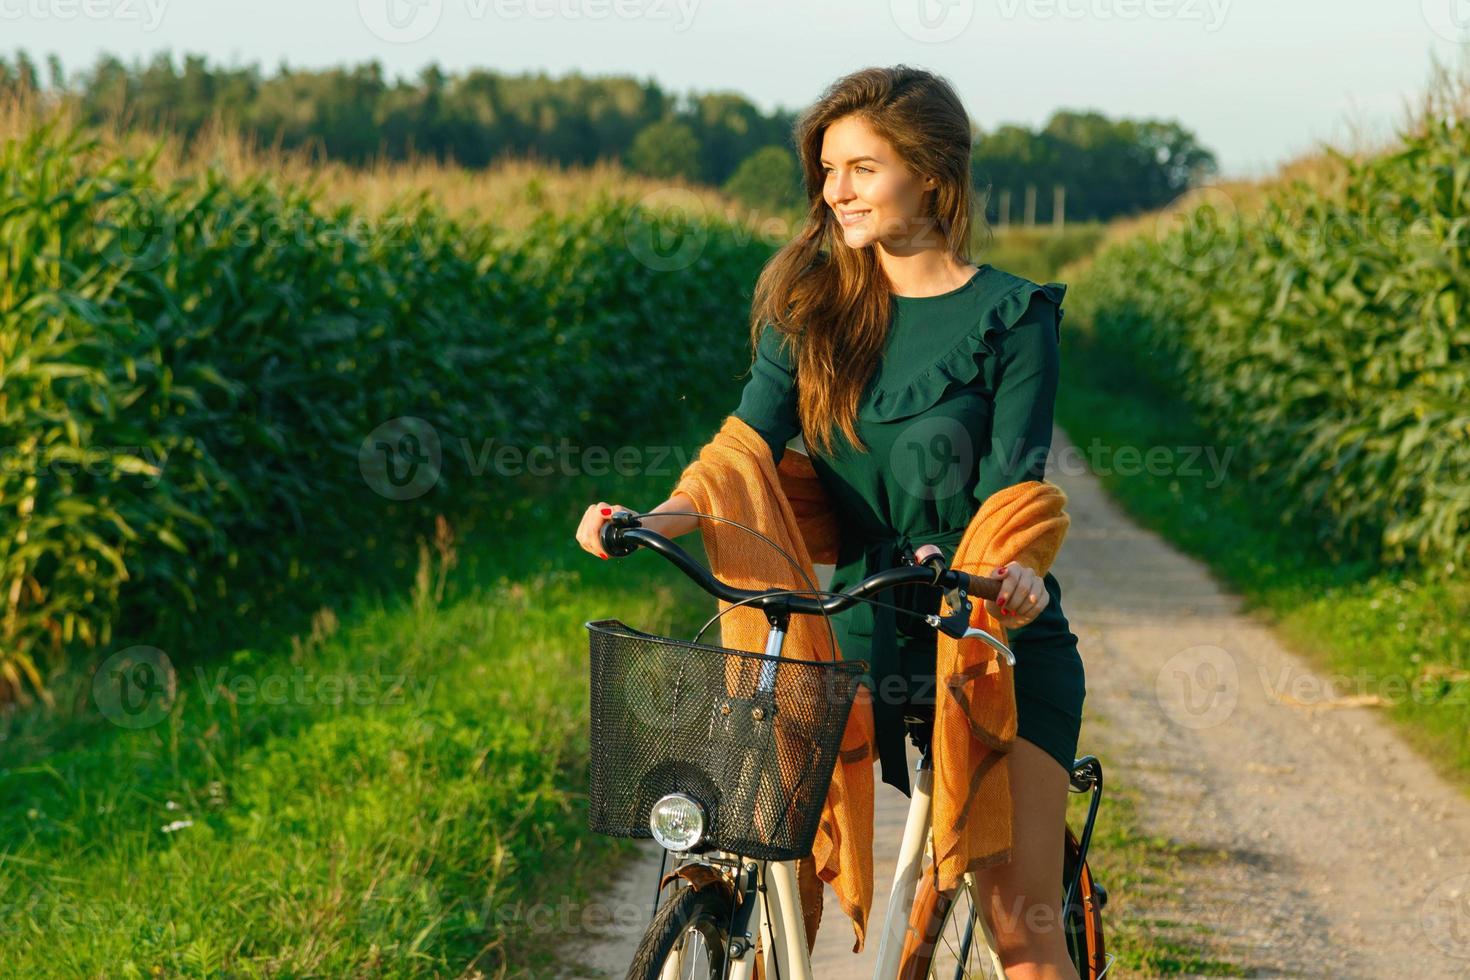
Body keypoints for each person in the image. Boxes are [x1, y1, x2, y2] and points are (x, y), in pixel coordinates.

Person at [575, 64, 1085, 980]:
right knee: (765, 864)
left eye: (859, 168)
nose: (832, 191)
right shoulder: (815, 308)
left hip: (983, 631)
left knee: (1022, 930)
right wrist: (647, 517)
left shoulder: (1013, 316)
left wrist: (1018, 572)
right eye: (826, 169)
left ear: (929, 175)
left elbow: (1017, 490)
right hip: (847, 626)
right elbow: (741, 453)